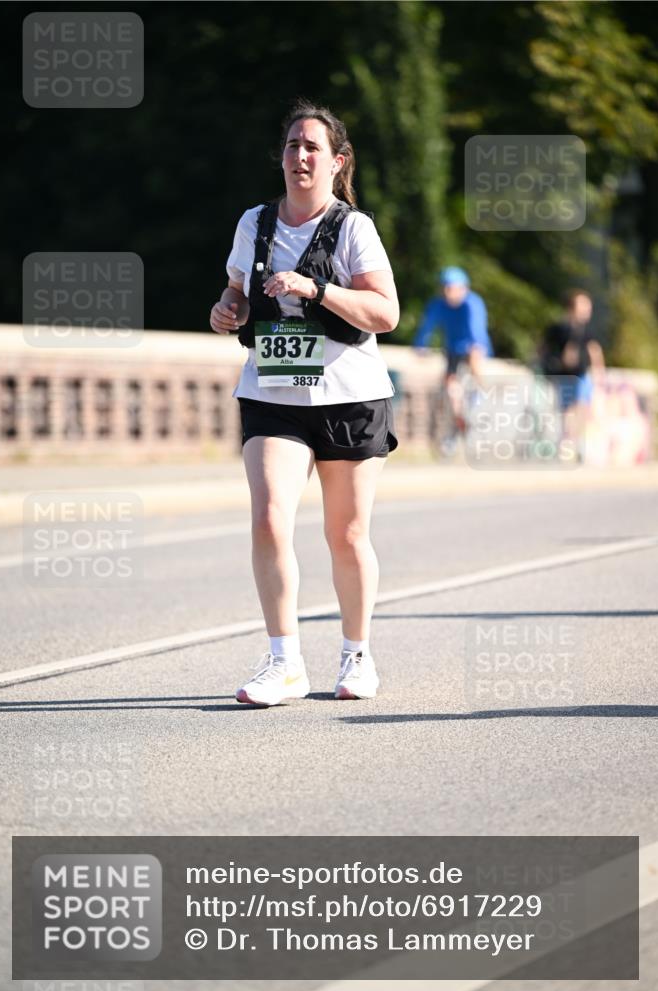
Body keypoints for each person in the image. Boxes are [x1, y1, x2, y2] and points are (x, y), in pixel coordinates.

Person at [209, 100, 399, 707]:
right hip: (273, 392)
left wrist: (316, 287)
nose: (300, 156)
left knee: (345, 535)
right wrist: (228, 310)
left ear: (335, 161)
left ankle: (356, 654)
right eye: (292, 145)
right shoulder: (255, 223)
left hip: (349, 396)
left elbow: (386, 313)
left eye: (313, 147)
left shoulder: (353, 229)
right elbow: (236, 293)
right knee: (268, 518)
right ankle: (284, 661)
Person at [413, 267, 492, 441]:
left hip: (473, 346)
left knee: (474, 356)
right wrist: (420, 345)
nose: (447, 293)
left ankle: (479, 397)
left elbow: (476, 329)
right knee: (450, 383)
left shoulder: (472, 303)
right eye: (445, 288)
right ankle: (459, 418)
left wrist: (475, 347)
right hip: (453, 348)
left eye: (451, 288)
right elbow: (427, 327)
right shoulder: (438, 304)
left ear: (463, 288)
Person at [540, 289, 605, 451]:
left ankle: (575, 442)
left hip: (581, 375)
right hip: (564, 376)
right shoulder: (559, 328)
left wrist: (599, 372)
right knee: (567, 409)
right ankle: (567, 441)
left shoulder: (586, 330)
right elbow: (543, 347)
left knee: (581, 407)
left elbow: (594, 350)